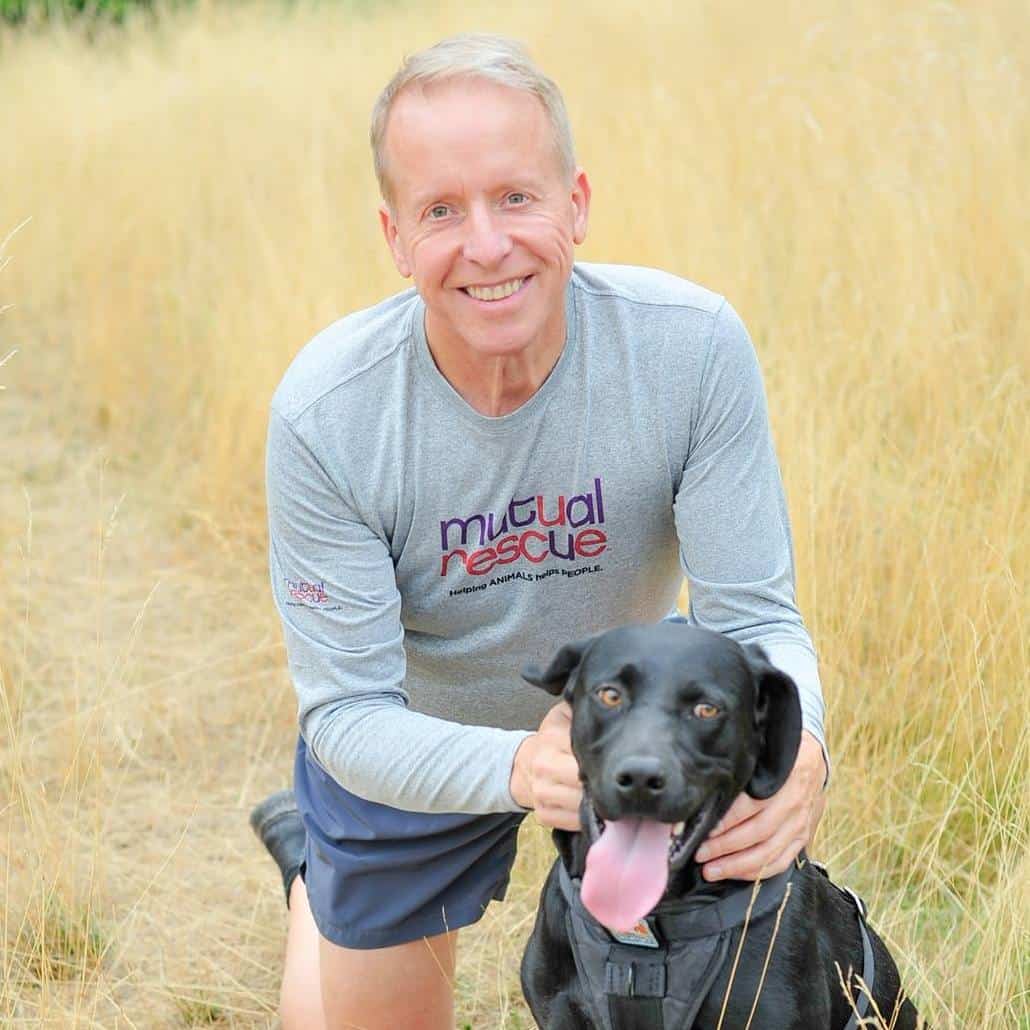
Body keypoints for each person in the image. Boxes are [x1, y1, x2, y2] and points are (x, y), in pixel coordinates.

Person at [250, 33, 829, 1030]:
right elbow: (346, 714)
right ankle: (320, 868)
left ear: (576, 204)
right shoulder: (328, 411)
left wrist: (807, 740)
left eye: (516, 197)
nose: (485, 244)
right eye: (441, 211)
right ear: (394, 238)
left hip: (633, 726)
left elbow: (754, 614)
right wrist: (518, 766)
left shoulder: (688, 349)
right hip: (413, 741)